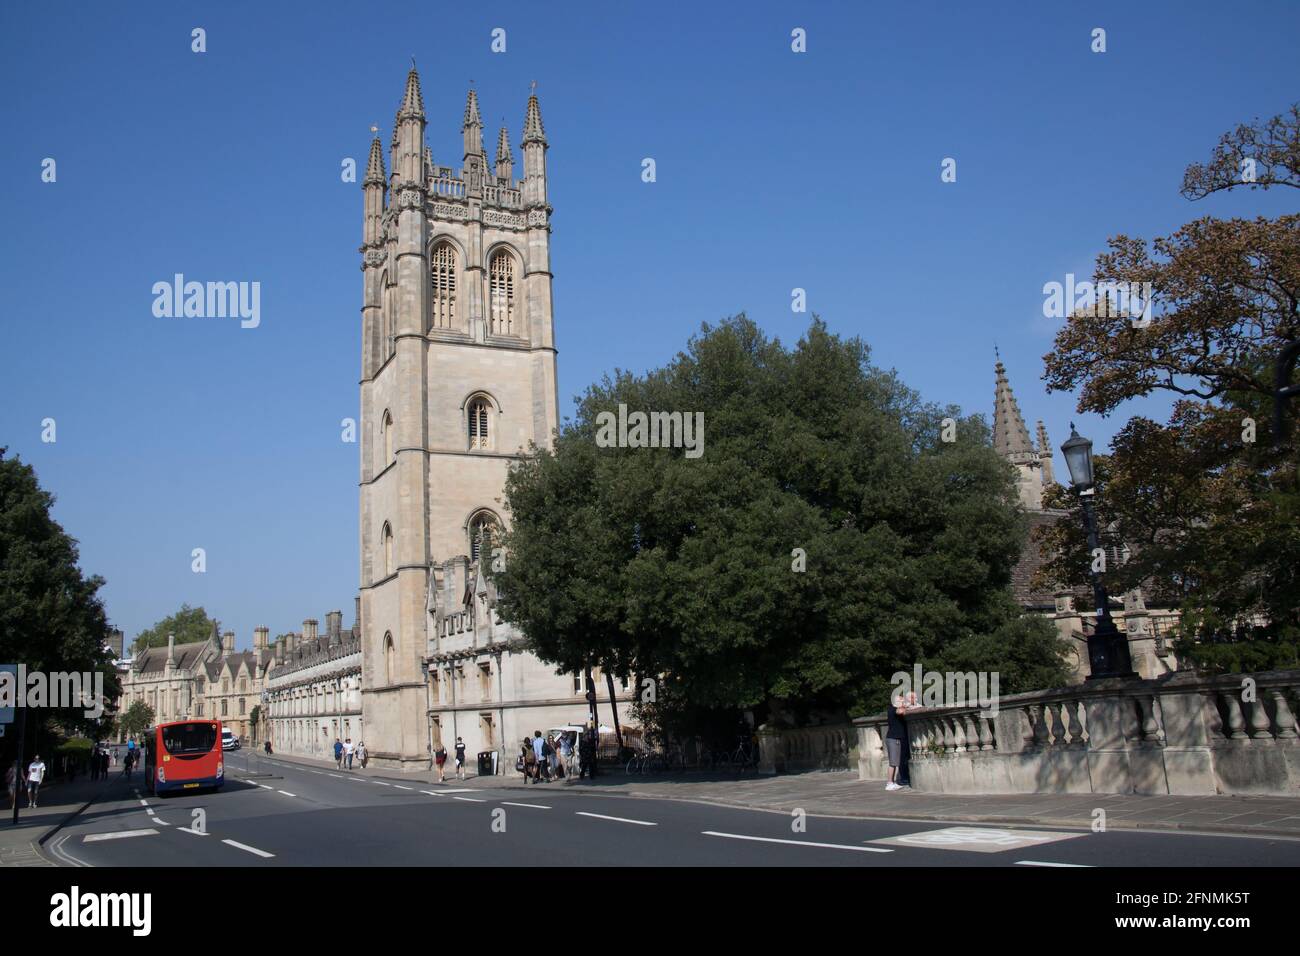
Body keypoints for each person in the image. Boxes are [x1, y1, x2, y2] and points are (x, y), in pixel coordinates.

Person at [885, 692, 912, 791]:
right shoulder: (892, 709)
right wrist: (906, 706)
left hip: (894, 738)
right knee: (893, 762)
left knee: (895, 761)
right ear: (895, 702)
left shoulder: (894, 709)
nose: (902, 702)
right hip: (893, 738)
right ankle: (889, 783)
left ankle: (892, 782)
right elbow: (901, 712)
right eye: (900, 700)